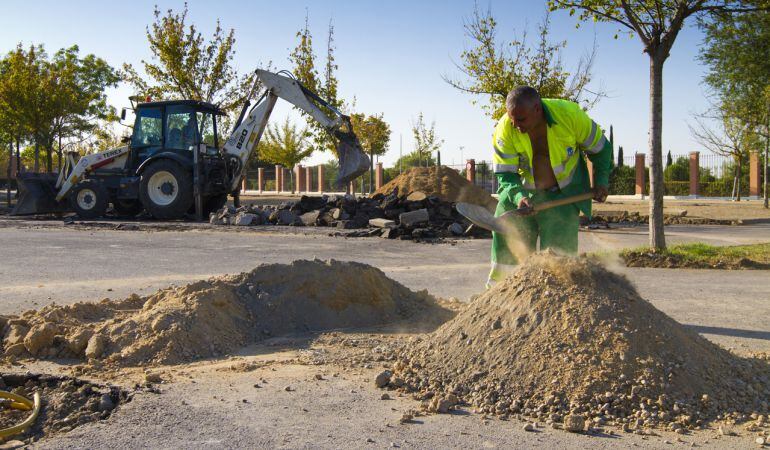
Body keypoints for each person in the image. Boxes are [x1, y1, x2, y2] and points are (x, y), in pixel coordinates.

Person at [488, 86, 612, 287]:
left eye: (521, 119)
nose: (515, 125)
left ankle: (560, 301)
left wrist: (601, 182)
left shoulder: (570, 116)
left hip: (563, 195)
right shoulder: (505, 129)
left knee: (560, 261)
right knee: (506, 229)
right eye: (512, 119)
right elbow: (506, 174)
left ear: (537, 109)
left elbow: (602, 149)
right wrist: (519, 196)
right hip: (523, 195)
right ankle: (498, 293)